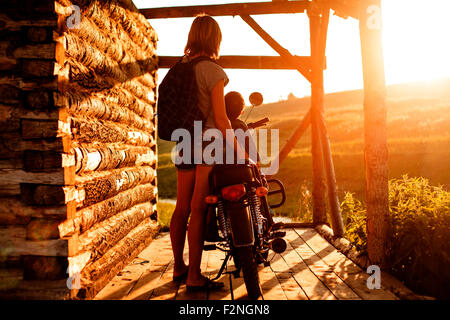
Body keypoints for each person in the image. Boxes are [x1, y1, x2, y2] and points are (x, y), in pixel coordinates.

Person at [169, 14, 250, 291]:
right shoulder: (214, 71)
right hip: (206, 144)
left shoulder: (181, 66)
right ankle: (193, 277)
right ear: (215, 39)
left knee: (181, 208)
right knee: (198, 208)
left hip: (183, 142)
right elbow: (222, 118)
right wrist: (242, 154)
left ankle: (178, 267)